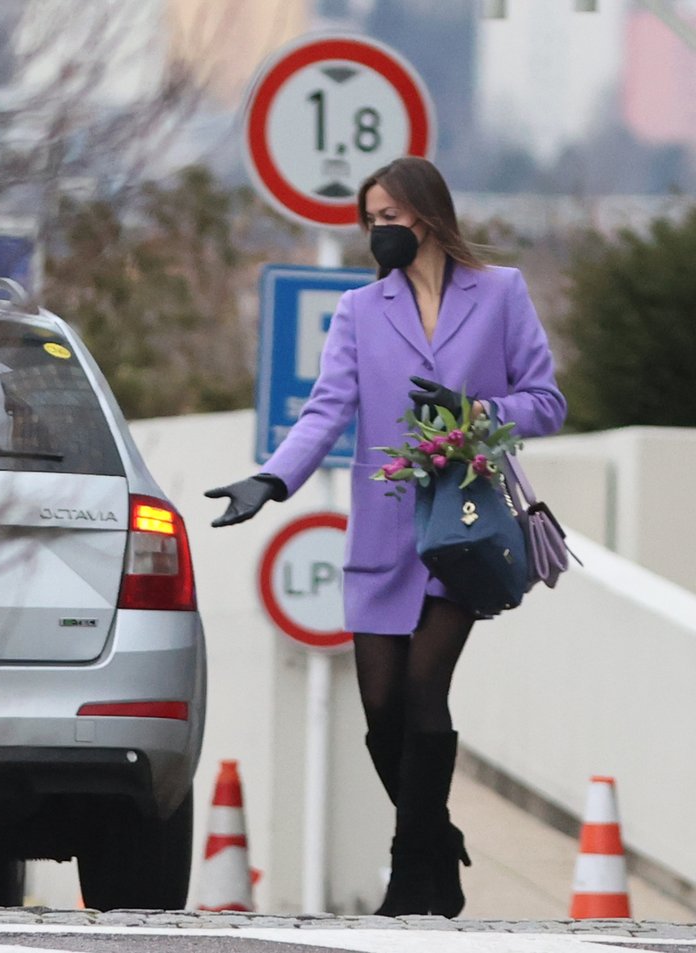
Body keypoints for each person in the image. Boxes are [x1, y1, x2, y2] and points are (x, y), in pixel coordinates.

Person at [205, 156, 566, 918]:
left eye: (388, 218)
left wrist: (474, 411)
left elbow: (546, 402)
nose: (377, 232)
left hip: (464, 524)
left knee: (424, 687)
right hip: (381, 526)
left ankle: (410, 874)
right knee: (381, 712)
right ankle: (437, 836)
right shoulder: (360, 312)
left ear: (427, 217)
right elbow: (325, 410)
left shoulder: (499, 293)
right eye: (369, 220)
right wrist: (269, 481)